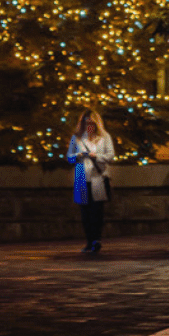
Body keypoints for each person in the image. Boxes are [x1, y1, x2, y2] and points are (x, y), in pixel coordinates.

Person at [67, 108, 115, 254]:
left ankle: (96, 240)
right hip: (82, 175)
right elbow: (69, 157)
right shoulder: (77, 137)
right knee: (85, 212)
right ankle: (89, 241)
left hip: (97, 176)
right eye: (86, 122)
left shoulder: (105, 137)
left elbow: (111, 156)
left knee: (97, 211)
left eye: (91, 123)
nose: (89, 126)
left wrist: (97, 156)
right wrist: (78, 155)